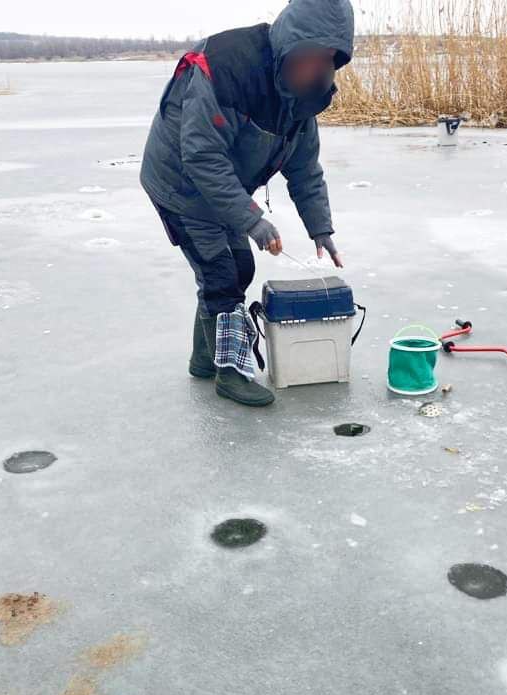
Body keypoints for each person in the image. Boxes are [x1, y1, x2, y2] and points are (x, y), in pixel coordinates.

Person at [139, 0, 355, 407]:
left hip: (221, 188)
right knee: (221, 273)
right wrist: (253, 221)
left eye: (327, 58)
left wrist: (320, 228)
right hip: (180, 184)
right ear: (291, 42)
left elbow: (305, 168)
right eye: (310, 55)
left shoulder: (305, 95)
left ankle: (203, 359)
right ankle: (229, 374)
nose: (317, 68)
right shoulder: (228, 67)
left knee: (239, 266)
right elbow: (202, 157)